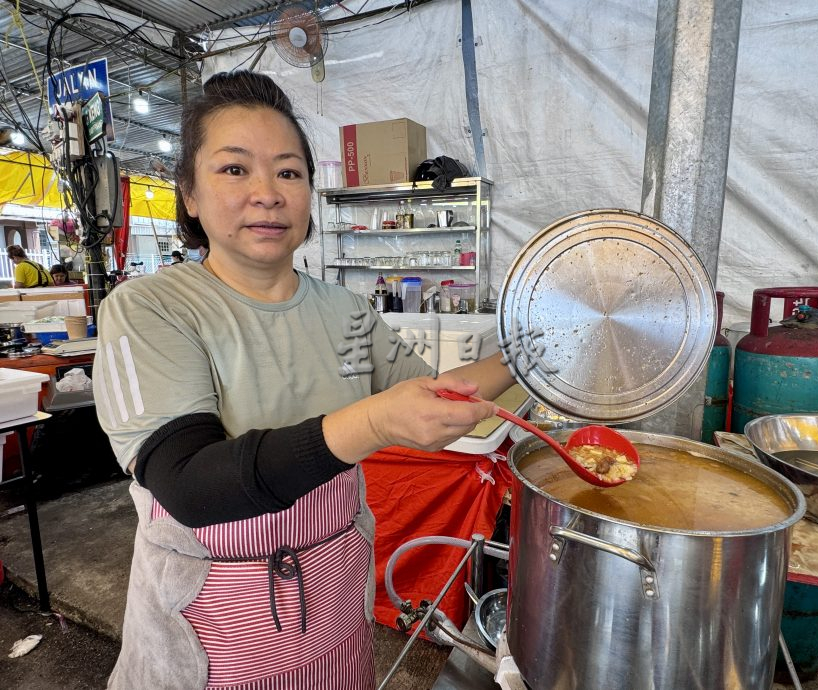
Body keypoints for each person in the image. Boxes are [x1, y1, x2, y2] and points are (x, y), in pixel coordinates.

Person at [92, 70, 514, 690]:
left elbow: (440, 393)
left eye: (288, 172)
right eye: (234, 169)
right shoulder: (150, 308)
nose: (267, 193)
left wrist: (529, 353)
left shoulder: (343, 310)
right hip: (213, 627)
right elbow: (187, 483)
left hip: (335, 602)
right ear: (188, 192)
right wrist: (374, 420)